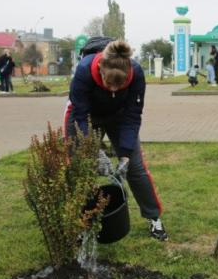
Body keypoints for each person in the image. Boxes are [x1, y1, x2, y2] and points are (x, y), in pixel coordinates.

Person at [64, 40, 168, 240]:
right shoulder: (84, 70)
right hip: (85, 117)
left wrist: (126, 155)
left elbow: (133, 115)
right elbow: (79, 115)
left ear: (127, 75)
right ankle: (79, 222)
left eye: (118, 86)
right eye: (108, 84)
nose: (112, 90)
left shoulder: (136, 73)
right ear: (101, 70)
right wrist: (95, 151)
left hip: (119, 116)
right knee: (79, 166)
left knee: (136, 168)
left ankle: (154, 217)